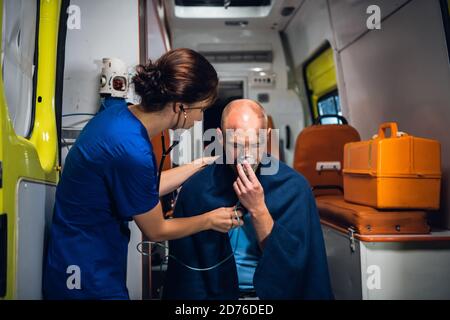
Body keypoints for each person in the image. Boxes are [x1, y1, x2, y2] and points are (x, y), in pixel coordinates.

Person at [43, 48, 243, 300]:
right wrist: (209, 220)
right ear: (180, 107)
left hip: (84, 256)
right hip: (84, 270)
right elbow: (156, 230)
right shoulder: (131, 148)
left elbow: (142, 188)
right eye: (201, 109)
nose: (200, 117)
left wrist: (201, 163)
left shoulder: (119, 115)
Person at [163, 99, 333, 300]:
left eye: (255, 144)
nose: (245, 156)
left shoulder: (294, 187)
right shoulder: (197, 189)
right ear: (220, 138)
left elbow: (297, 266)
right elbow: (187, 275)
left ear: (267, 137)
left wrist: (258, 208)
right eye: (235, 145)